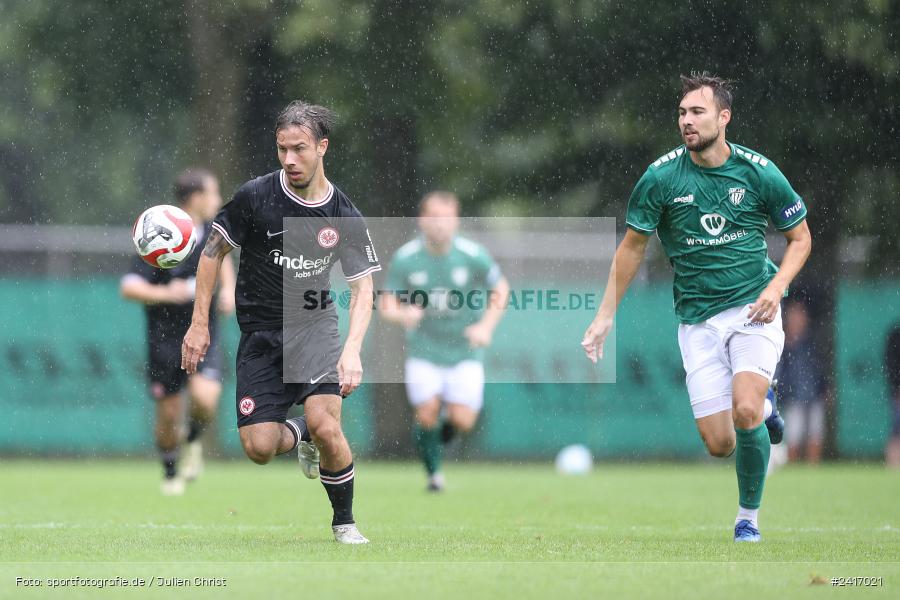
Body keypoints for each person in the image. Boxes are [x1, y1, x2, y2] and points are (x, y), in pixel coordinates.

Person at [581, 73, 812, 542]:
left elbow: (801, 238)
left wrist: (777, 288)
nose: (687, 121)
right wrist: (605, 315)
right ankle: (766, 411)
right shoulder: (661, 177)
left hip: (754, 309)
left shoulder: (758, 172)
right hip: (697, 321)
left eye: (697, 112)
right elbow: (631, 248)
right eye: (683, 113)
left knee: (743, 409)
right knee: (720, 443)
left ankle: (747, 518)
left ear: (723, 117)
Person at [181, 101, 381, 544]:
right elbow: (212, 253)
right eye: (282, 149)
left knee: (328, 426)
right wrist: (199, 324)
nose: (289, 159)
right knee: (259, 449)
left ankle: (345, 524)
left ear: (322, 148)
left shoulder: (344, 215)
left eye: (300, 149)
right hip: (260, 336)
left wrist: (352, 349)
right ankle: (299, 431)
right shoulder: (256, 195)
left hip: (315, 328)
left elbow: (364, 289)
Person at [380, 191, 509, 492]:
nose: (440, 224)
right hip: (424, 350)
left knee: (462, 420)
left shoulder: (472, 254)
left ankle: (439, 437)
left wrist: (486, 327)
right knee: (426, 412)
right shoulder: (406, 258)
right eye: (434, 217)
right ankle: (434, 475)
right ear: (422, 220)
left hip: (464, 351)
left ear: (456, 221)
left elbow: (501, 289)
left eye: (447, 218)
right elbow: (386, 304)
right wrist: (403, 314)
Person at [121, 169, 235, 496]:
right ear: (196, 198)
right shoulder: (162, 231)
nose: (217, 199)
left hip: (202, 332)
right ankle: (170, 469)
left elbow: (221, 258)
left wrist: (227, 290)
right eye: (213, 193)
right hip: (164, 337)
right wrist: (167, 294)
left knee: (205, 398)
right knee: (169, 414)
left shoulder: (215, 232)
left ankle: (194, 439)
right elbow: (130, 287)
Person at [776, 299, 826, 464]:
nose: (798, 318)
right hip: (792, 395)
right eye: (794, 315)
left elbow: (819, 368)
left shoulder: (811, 340)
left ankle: (813, 469)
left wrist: (824, 388)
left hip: (814, 393)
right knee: (793, 436)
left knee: (815, 433)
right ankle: (793, 470)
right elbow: (779, 371)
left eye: (801, 314)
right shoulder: (781, 340)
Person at [886, 323, 900, 468]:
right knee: (897, 428)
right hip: (898, 392)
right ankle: (894, 465)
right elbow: (891, 364)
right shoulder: (896, 335)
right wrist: (897, 388)